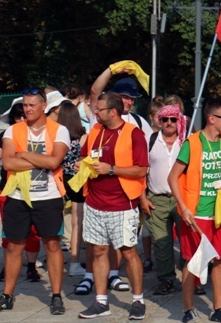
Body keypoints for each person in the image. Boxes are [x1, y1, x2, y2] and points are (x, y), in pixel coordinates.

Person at [0, 88, 70, 315]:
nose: (27, 109)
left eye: (32, 105)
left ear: (44, 106)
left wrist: (23, 154)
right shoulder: (13, 130)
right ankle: (6, 295)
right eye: (25, 105)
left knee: (52, 245)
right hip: (18, 196)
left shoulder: (59, 130)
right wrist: (41, 160)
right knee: (14, 246)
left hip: (49, 197)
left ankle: (55, 296)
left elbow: (55, 162)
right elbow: (8, 164)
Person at [77, 93, 149, 320]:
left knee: (128, 251)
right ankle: (101, 301)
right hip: (95, 202)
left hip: (122, 204)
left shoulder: (133, 134)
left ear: (113, 112)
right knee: (97, 250)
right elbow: (84, 156)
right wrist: (82, 164)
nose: (95, 112)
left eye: (99, 109)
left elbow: (141, 170)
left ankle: (138, 300)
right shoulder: (95, 131)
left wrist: (111, 169)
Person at [168, 98, 221, 323]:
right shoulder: (193, 143)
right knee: (192, 261)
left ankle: (218, 309)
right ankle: (188, 309)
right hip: (196, 214)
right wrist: (184, 208)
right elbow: (173, 177)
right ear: (212, 119)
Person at [0, 102, 42, 284]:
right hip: (10, 187)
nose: (21, 119)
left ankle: (32, 266)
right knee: (9, 230)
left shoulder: (41, 135)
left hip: (36, 187)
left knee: (33, 231)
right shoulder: (7, 135)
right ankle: (7, 266)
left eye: (23, 115)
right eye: (17, 116)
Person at [140, 105, 185, 296]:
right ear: (159, 120)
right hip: (156, 198)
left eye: (173, 119)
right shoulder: (149, 140)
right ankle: (166, 279)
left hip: (182, 199)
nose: (169, 123)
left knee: (188, 241)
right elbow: (141, 171)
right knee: (161, 243)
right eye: (165, 119)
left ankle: (193, 280)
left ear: (179, 121)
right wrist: (142, 198)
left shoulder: (186, 142)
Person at [57, 102, 88, 277]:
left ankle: (54, 257)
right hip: (77, 180)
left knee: (56, 219)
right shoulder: (83, 136)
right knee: (77, 223)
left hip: (59, 179)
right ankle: (74, 261)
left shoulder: (57, 135)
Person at [90, 64, 153, 138]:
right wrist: (112, 70)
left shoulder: (139, 121)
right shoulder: (100, 114)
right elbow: (94, 91)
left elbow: (150, 145)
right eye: (125, 97)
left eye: (132, 99)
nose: (129, 102)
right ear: (114, 96)